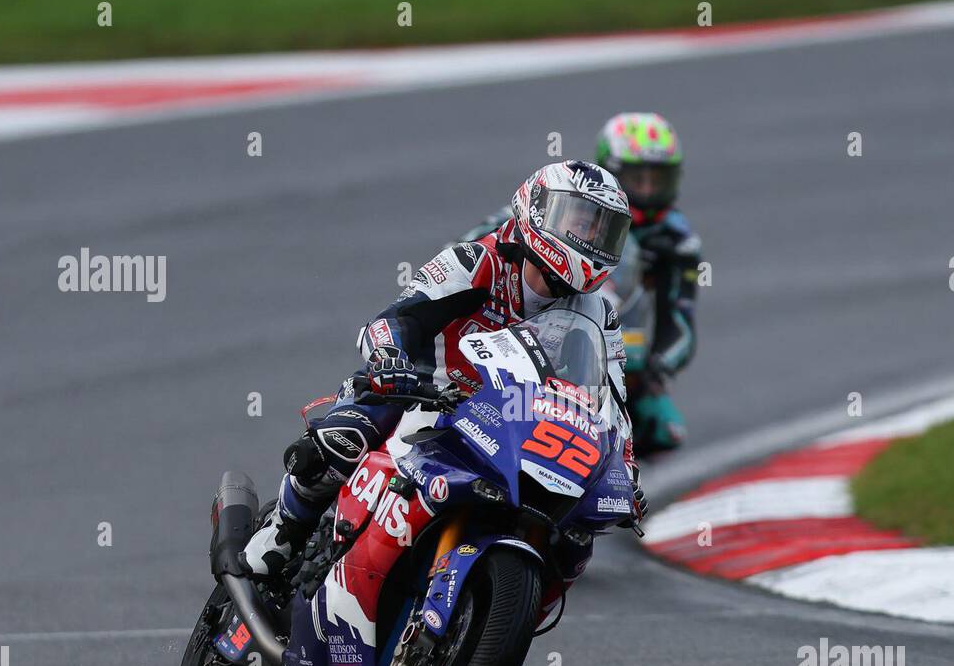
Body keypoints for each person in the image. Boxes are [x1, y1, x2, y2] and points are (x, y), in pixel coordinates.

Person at [240, 159, 648, 581]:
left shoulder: (601, 314)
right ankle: (283, 528)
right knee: (342, 439)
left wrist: (626, 471)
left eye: (603, 231)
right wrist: (389, 359)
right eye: (581, 223)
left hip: (515, 423)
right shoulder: (477, 260)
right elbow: (396, 320)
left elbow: (613, 406)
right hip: (428, 394)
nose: (590, 238)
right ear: (540, 210)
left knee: (574, 540)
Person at [594, 112, 701, 453]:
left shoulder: (677, 240)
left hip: (627, 351)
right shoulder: (577, 209)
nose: (647, 190)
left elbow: (680, 321)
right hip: (564, 332)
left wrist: (660, 366)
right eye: (637, 180)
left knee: (665, 431)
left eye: (657, 180)